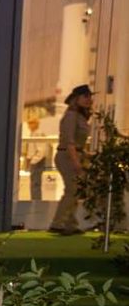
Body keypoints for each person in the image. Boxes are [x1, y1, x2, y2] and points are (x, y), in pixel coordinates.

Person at [50, 85, 94, 234]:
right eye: (85, 96)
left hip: (75, 154)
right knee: (72, 189)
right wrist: (76, 161)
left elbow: (77, 142)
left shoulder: (80, 116)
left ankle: (70, 223)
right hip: (67, 156)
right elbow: (69, 141)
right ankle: (58, 222)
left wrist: (85, 155)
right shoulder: (71, 115)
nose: (89, 99)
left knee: (74, 190)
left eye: (89, 96)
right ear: (77, 99)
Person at [24, 117, 50, 202]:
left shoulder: (38, 134)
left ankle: (36, 201)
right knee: (34, 183)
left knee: (35, 183)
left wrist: (33, 161)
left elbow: (41, 150)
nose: (29, 126)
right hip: (34, 160)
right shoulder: (33, 133)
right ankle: (34, 200)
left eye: (31, 124)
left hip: (37, 161)